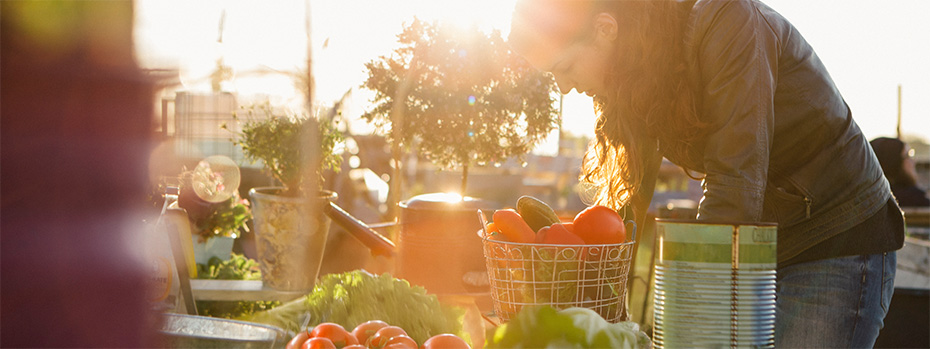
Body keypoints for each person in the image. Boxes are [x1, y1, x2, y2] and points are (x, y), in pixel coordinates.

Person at [509, 0, 905, 347]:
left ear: (605, 29)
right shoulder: (636, 69)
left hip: (836, 234)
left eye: (565, 66)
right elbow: (629, 196)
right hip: (767, 240)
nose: (562, 87)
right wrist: (605, 307)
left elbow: (735, 184)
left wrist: (689, 321)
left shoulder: (727, 20)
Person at [871, 137, 930, 207]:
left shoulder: (869, 202)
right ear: (895, 163)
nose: (913, 161)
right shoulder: (917, 200)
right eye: (908, 155)